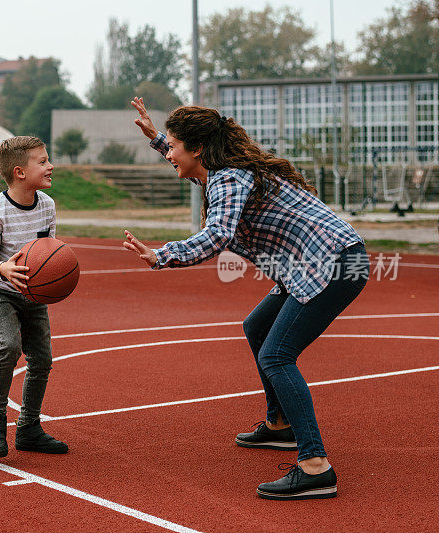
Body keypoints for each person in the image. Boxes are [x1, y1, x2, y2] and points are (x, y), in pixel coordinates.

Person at [124, 98, 369, 500]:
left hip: (332, 261)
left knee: (277, 354)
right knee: (256, 326)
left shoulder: (229, 179)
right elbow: (190, 169)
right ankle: (279, 426)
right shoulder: (219, 173)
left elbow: (218, 235)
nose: (169, 154)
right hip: (311, 262)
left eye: (173, 145)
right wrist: (157, 138)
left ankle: (315, 466)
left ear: (198, 148)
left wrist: (161, 255)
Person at [0, 135, 69, 458]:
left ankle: (29, 427)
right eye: (42, 161)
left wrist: (53, 279)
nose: (50, 165)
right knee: (9, 345)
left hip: (33, 291)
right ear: (19, 172)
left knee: (42, 359)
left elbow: (49, 252)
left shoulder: (47, 205)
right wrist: (4, 270)